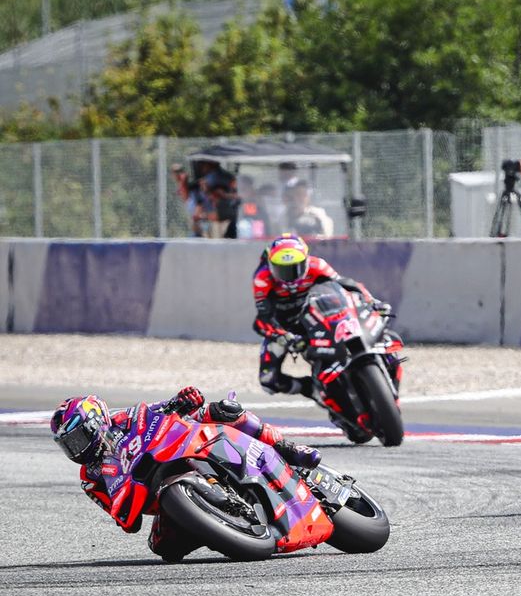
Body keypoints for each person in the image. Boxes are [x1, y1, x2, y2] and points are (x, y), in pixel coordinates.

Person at [49, 387, 320, 561]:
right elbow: (126, 522)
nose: (76, 449)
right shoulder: (90, 478)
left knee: (224, 409)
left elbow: (165, 407)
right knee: (163, 549)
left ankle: (284, 447)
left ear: (95, 422)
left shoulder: (126, 419)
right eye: (68, 445)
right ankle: (220, 525)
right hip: (159, 496)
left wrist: (184, 399)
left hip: (183, 449)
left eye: (77, 438)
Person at [253, 233, 385, 401]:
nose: (289, 275)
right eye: (282, 269)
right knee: (268, 380)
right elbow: (262, 319)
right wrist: (284, 336)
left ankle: (380, 360)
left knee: (375, 323)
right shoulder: (262, 278)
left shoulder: (317, 265)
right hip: (285, 325)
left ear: (306, 261)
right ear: (271, 265)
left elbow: (346, 284)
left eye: (295, 267)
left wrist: (371, 301)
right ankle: (312, 389)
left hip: (319, 314)